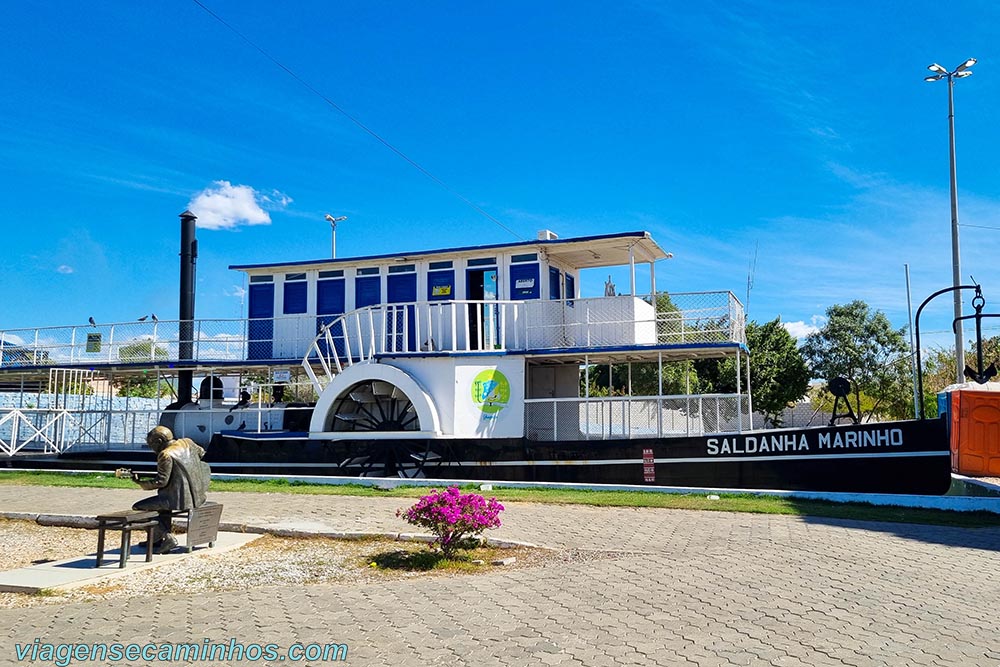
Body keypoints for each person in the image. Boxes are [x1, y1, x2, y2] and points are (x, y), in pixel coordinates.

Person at [130, 425, 211, 554]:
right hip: (198, 496)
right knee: (159, 507)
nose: (152, 449)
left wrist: (140, 483)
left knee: (140, 507)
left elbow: (161, 482)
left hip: (178, 500)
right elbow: (201, 453)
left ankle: (168, 538)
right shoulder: (187, 442)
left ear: (159, 442)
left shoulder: (165, 454)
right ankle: (155, 539)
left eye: (151, 445)